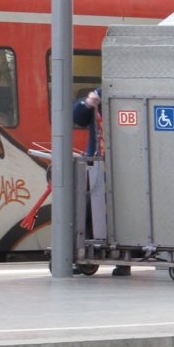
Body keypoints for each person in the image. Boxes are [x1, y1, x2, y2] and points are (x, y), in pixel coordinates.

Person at [72, 89, 130, 276]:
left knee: (120, 212)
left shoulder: (128, 97)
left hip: (124, 167)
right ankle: (87, 254)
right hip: (98, 164)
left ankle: (124, 259)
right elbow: (78, 118)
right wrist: (88, 103)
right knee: (88, 208)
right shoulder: (100, 93)